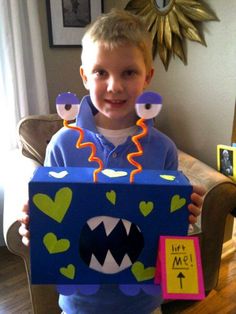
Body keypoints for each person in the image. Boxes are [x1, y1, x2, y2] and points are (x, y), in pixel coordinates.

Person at [19, 9, 205, 314]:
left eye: (129, 72)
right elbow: (53, 223)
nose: (114, 86)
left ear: (147, 76)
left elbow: (165, 232)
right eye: (100, 72)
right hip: (80, 302)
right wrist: (34, 227)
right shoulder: (63, 146)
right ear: (84, 76)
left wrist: (184, 214)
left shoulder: (164, 149)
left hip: (143, 302)